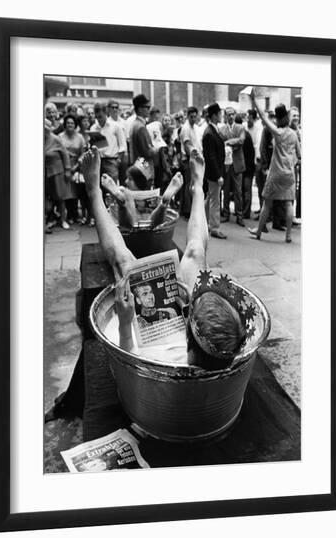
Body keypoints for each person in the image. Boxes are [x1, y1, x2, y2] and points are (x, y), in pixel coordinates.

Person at [82, 147, 247, 370]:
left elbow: (126, 364)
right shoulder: (228, 348)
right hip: (192, 338)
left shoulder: (163, 364)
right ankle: (197, 189)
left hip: (153, 348)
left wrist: (124, 322)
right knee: (196, 252)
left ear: (189, 334)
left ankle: (94, 193)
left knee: (123, 262)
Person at [247, 88, 301, 243]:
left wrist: (254, 100)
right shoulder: (293, 134)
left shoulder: (277, 132)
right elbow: (299, 155)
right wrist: (292, 163)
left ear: (278, 119)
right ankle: (288, 235)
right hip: (289, 173)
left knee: (267, 202)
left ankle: (258, 231)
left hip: (276, 172)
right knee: (289, 203)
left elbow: (263, 117)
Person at [100, 158, 183, 230]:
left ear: (139, 182)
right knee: (156, 217)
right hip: (151, 234)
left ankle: (122, 205)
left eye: (130, 179)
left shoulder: (153, 196)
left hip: (130, 232)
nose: (126, 182)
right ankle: (163, 204)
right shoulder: (124, 192)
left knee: (124, 211)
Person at [202, 102, 227, 239]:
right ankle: (215, 228)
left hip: (214, 172)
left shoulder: (212, 130)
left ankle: (203, 222)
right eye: (219, 114)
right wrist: (218, 175)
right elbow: (210, 157)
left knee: (210, 198)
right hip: (214, 173)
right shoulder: (209, 133)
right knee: (215, 201)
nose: (221, 116)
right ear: (214, 115)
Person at [219, 107, 246, 226]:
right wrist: (229, 142)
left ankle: (239, 215)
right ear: (225, 116)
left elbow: (241, 140)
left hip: (237, 164)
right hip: (226, 163)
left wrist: (228, 142)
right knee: (225, 189)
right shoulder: (222, 129)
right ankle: (225, 214)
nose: (230, 116)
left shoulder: (240, 128)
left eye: (232, 114)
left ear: (235, 115)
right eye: (228, 115)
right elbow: (220, 142)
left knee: (238, 191)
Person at [59, 114, 86, 224]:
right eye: (68, 123)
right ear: (65, 124)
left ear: (75, 125)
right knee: (66, 192)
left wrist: (76, 166)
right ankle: (68, 215)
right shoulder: (60, 137)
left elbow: (83, 154)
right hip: (63, 166)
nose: (70, 125)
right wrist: (66, 168)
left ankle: (75, 215)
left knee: (75, 192)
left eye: (72, 123)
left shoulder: (80, 137)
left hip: (76, 166)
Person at [90, 102, 127, 184]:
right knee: (99, 186)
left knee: (111, 188)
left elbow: (122, 145)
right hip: (98, 161)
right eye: (97, 117)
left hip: (111, 161)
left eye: (100, 117)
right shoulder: (93, 128)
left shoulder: (115, 126)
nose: (99, 119)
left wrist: (118, 160)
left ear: (105, 113)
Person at [44, 125, 72, 231]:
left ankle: (63, 220)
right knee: (47, 196)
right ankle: (50, 219)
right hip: (45, 171)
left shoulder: (55, 139)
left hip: (57, 170)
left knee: (60, 197)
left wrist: (67, 169)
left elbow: (65, 153)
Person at [128, 94, 156, 184]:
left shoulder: (135, 124)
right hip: (144, 168)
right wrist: (158, 148)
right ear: (140, 109)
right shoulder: (140, 127)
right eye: (147, 107)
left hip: (138, 166)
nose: (149, 110)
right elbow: (147, 152)